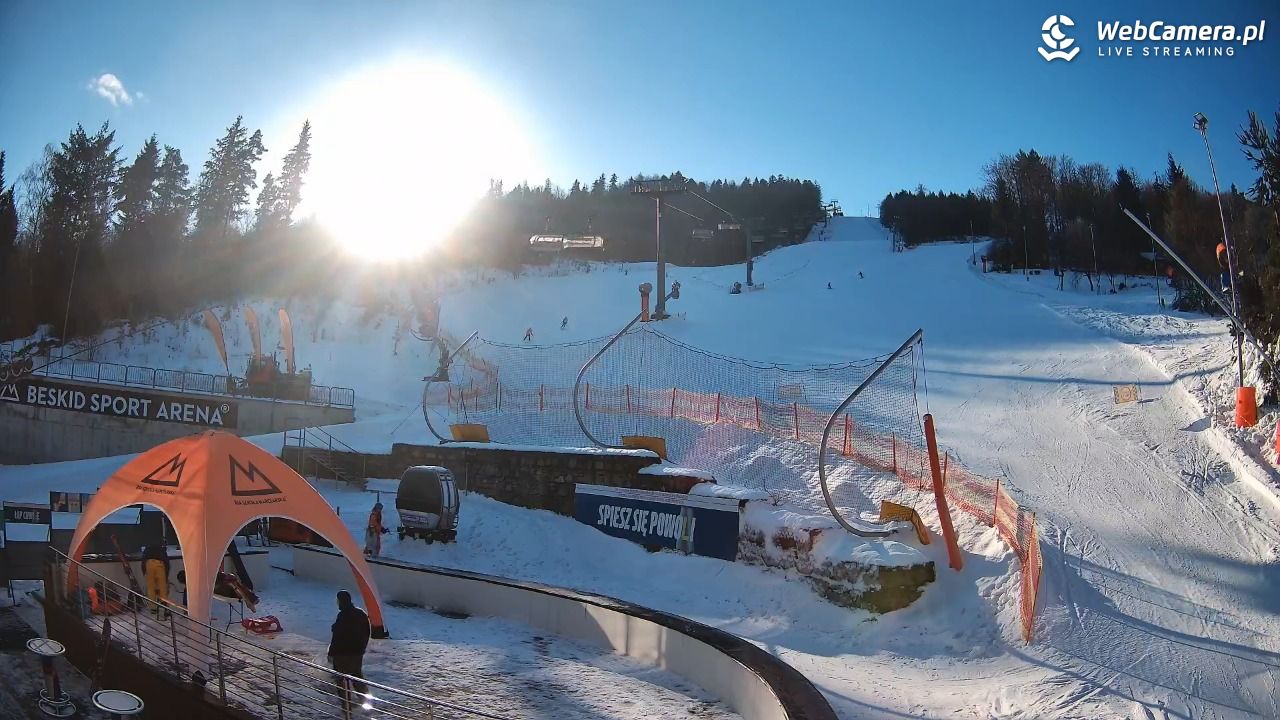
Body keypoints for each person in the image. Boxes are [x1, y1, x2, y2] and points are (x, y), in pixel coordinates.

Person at [328, 590, 371, 706]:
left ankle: (346, 707)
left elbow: (337, 637)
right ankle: (367, 703)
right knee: (357, 678)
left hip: (342, 654)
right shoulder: (361, 613)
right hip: (357, 653)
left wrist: (331, 653)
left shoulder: (343, 615)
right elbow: (367, 632)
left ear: (340, 601)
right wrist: (362, 649)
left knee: (341, 680)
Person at [142, 542, 170, 618]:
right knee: (162, 588)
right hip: (159, 564)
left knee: (151, 588)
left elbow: (143, 559)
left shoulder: (147, 549)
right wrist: (166, 576)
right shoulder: (161, 549)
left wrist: (144, 571)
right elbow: (166, 562)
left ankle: (153, 608)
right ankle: (164, 608)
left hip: (149, 564)